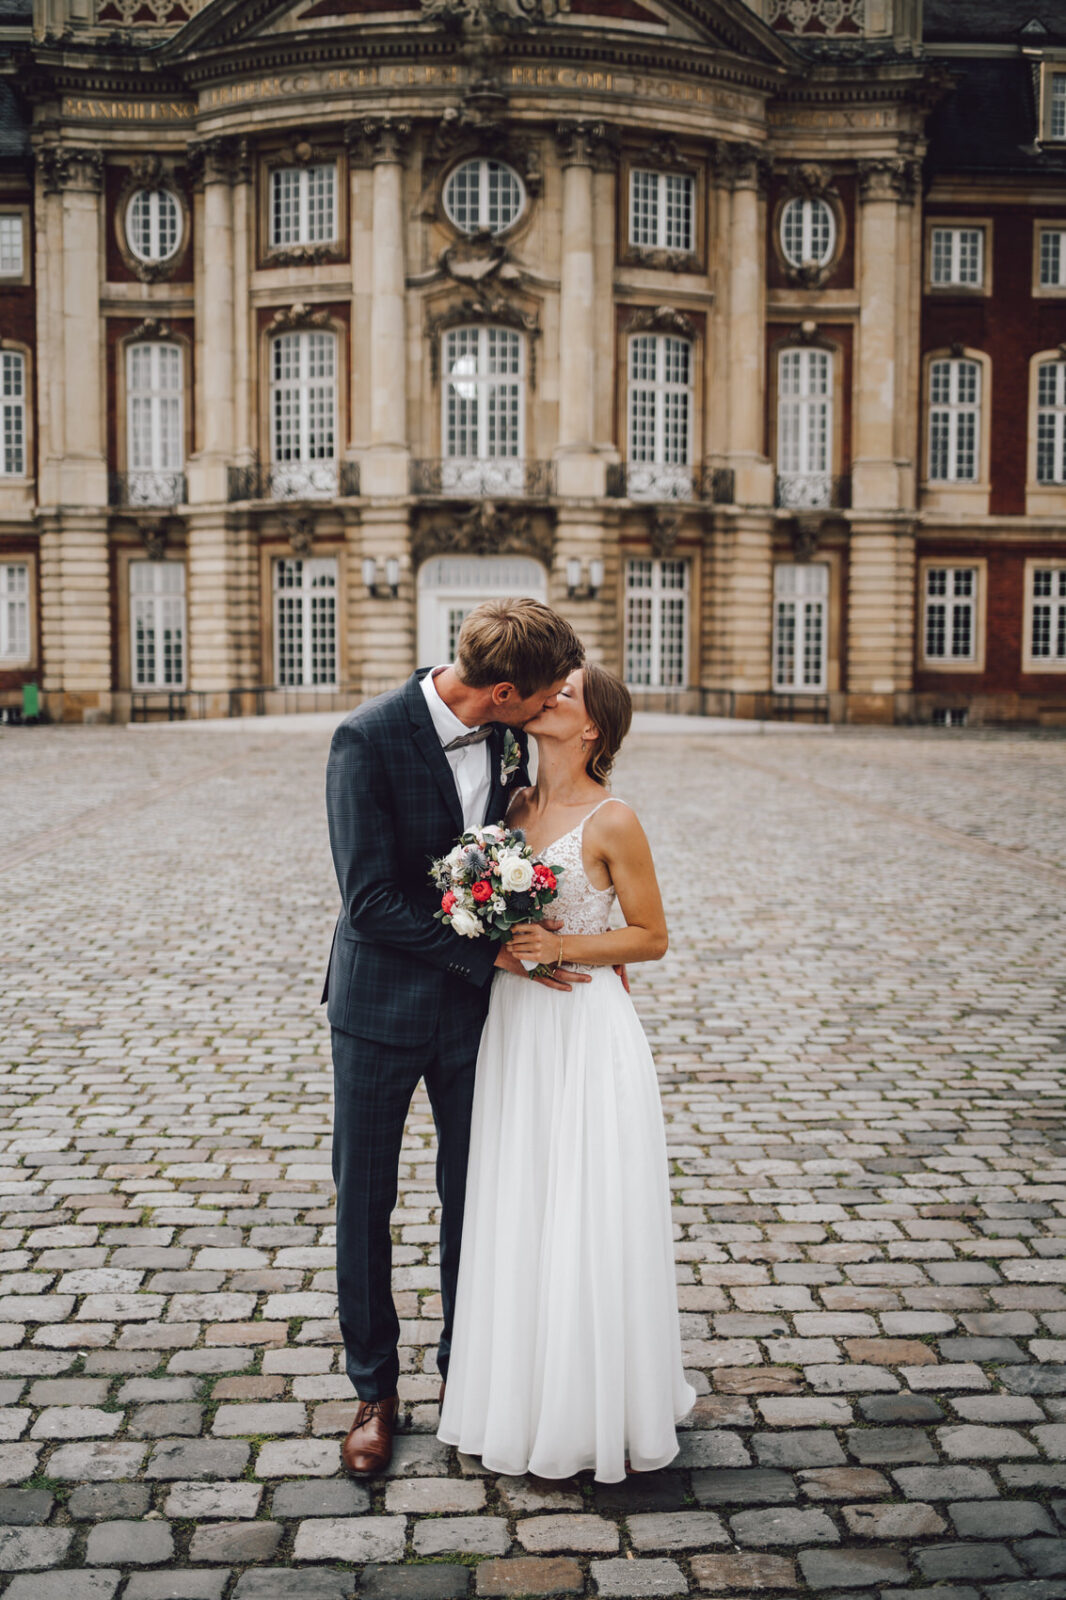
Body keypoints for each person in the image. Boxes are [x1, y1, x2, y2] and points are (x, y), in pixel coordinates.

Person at [323, 599, 586, 1476]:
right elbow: (369, 901)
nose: (552, 706)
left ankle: (467, 1377)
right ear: (503, 691)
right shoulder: (365, 739)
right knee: (365, 1202)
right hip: (379, 1010)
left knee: (477, 1195)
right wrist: (489, 956)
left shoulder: (509, 737)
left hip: (478, 1017)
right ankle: (373, 1391)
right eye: (544, 695)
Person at [438, 663, 696, 1482]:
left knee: (586, 1205)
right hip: (516, 1029)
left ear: (592, 729)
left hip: (585, 1027)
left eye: (567, 692)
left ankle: (591, 1408)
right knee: (520, 1200)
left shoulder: (614, 820)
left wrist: (563, 946)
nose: (548, 695)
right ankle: (516, 1399)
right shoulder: (510, 808)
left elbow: (651, 936)